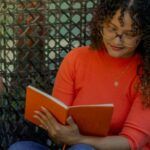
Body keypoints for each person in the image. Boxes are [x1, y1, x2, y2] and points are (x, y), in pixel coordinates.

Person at [9, 0, 150, 149]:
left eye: (129, 34)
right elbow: (58, 133)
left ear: (144, 34)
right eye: (111, 28)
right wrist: (57, 131)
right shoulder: (76, 59)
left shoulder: (146, 73)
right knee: (20, 148)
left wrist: (79, 139)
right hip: (71, 146)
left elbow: (131, 142)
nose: (117, 39)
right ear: (101, 24)